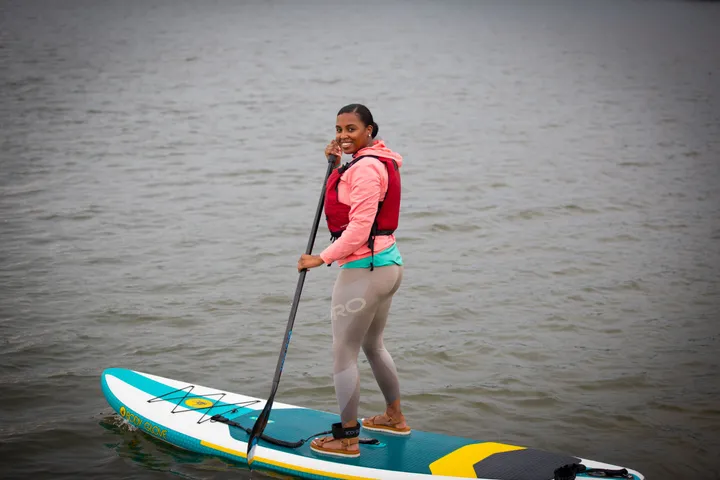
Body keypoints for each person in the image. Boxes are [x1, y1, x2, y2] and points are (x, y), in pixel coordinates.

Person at [296, 103, 410, 458]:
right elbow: (355, 195)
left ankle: (347, 439)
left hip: (364, 271)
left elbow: (359, 228)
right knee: (373, 346)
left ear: (369, 131)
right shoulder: (376, 160)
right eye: (339, 129)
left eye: (352, 129)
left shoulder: (365, 169)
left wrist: (321, 257)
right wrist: (335, 164)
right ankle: (393, 417)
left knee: (343, 352)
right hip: (388, 267)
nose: (344, 136)